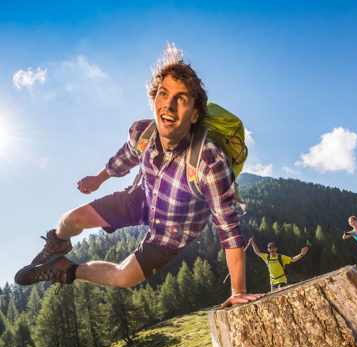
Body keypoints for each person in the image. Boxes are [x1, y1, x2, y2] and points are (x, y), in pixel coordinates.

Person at [14, 46, 262, 308]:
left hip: (173, 230)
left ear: (195, 114)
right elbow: (126, 157)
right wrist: (98, 179)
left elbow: (229, 229)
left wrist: (238, 290)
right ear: (154, 99)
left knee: (124, 277)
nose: (168, 104)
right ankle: (56, 248)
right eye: (163, 94)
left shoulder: (208, 162)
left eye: (181, 99)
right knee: (69, 220)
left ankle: (64, 269)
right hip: (141, 198)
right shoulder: (143, 132)